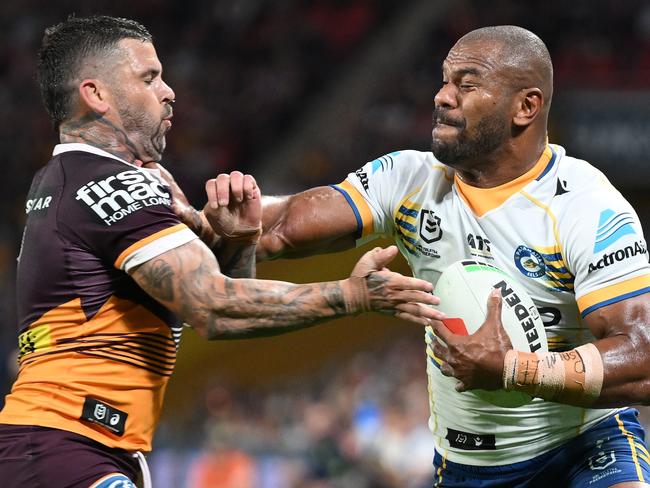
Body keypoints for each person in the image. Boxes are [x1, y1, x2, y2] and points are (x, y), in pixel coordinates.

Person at [172, 25, 650, 487]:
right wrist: (226, 221)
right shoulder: (408, 179)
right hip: (468, 464)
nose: (443, 97)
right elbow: (279, 225)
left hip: (584, 447)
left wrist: (514, 370)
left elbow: (643, 357)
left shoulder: (587, 207)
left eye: (467, 85)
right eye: (444, 81)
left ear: (526, 106)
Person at [0, 15, 442, 488]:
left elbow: (224, 304)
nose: (169, 91)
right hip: (62, 446)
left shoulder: (77, 180)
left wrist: (234, 241)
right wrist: (352, 295)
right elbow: (214, 307)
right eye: (149, 78)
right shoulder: (109, 184)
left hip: (76, 445)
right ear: (96, 94)